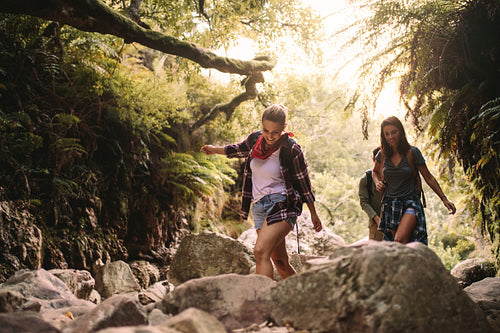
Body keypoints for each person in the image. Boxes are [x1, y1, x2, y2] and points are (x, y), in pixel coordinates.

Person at [201, 104, 322, 279]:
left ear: (284, 128)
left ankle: (262, 301)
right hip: (259, 207)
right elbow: (237, 149)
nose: (270, 136)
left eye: (275, 132)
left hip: (282, 204)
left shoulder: (291, 149)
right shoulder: (255, 140)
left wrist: (313, 213)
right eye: (266, 131)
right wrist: (214, 150)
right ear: (261, 126)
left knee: (260, 252)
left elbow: (304, 183)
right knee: (279, 261)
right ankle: (302, 298)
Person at [372, 116, 456, 245]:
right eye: (387, 134)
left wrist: (444, 198)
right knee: (399, 245)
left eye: (394, 132)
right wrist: (377, 182)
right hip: (390, 205)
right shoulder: (382, 155)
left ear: (400, 131)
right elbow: (375, 171)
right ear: (383, 136)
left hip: (410, 202)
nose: (391, 137)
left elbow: (428, 177)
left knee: (399, 240)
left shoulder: (413, 152)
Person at [358, 147, 384, 241]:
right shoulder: (366, 179)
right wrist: (377, 219)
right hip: (375, 224)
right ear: (374, 160)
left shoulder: (393, 176)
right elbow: (364, 202)